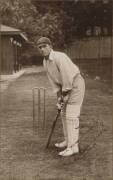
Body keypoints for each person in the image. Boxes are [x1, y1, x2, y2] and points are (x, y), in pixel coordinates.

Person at [37, 37, 85, 157]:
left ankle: (73, 147)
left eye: (44, 46)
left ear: (50, 46)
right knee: (63, 113)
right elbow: (54, 82)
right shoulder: (45, 62)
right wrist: (59, 98)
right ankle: (68, 141)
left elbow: (67, 77)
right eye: (40, 47)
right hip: (65, 87)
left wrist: (65, 95)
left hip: (75, 84)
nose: (42, 49)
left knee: (71, 115)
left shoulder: (60, 57)